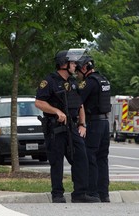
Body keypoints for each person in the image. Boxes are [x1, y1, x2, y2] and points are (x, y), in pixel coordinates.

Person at [35, 49, 101, 203]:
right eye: (72, 63)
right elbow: (39, 102)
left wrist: (82, 124)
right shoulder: (49, 81)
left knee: (81, 158)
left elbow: (80, 105)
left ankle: (80, 193)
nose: (75, 66)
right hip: (55, 128)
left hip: (72, 128)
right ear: (64, 64)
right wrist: (56, 111)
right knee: (57, 162)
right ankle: (57, 194)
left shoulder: (72, 82)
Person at [76, 54, 111, 202]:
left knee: (90, 157)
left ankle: (92, 192)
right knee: (102, 159)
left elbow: (78, 100)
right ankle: (104, 193)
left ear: (84, 68)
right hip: (104, 123)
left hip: (94, 123)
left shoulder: (89, 82)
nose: (77, 74)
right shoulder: (104, 80)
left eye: (78, 71)